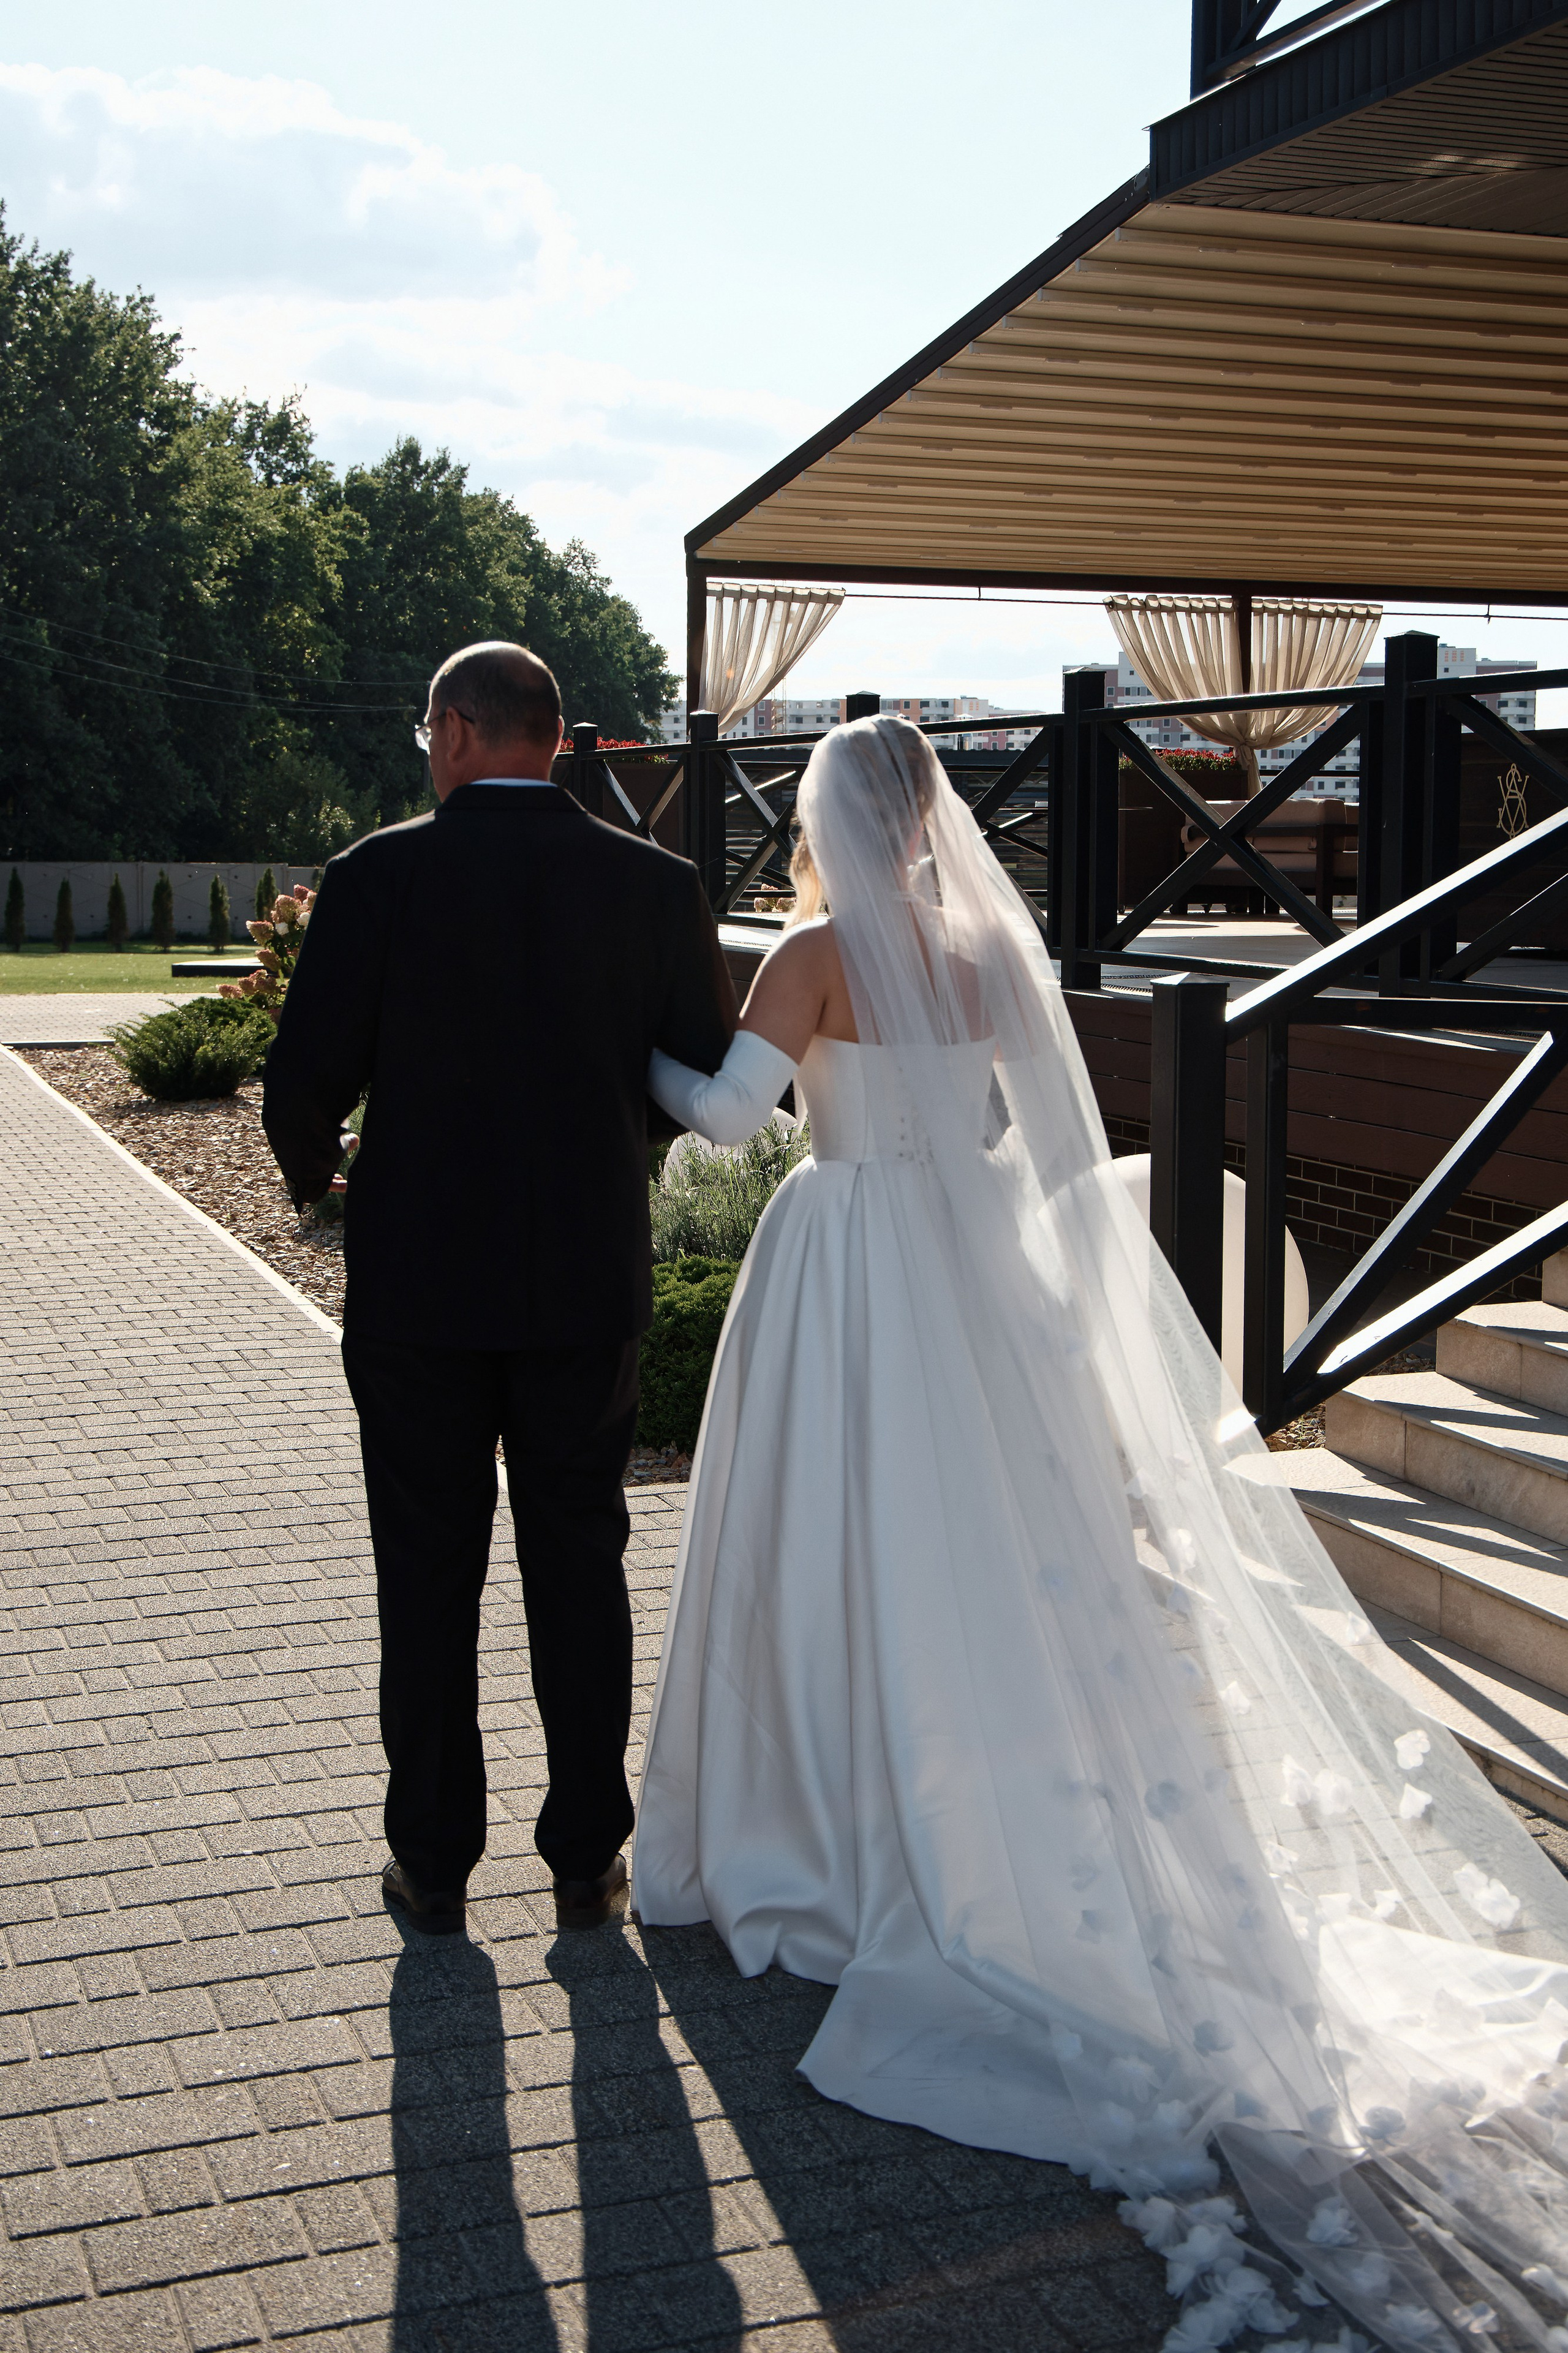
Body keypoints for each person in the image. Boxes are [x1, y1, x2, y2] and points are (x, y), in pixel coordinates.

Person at [636, 714, 1568, 2352]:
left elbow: (728, 1120)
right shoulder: (994, 947)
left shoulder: (809, 946)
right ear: (934, 817)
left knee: (837, 1545)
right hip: (976, 1268)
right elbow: (1059, 1163)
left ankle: (832, 1830)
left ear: (822, 816)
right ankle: (979, 1814)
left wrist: (628, 1058)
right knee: (986, 1560)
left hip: (847, 1266)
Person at [263, 641, 734, 1939]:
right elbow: (694, 1076)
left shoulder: (378, 875)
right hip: (583, 1274)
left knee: (425, 1574)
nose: (425, 752)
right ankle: (586, 1861)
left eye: (428, 730)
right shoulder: (656, 883)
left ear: (461, 732)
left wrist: (327, 1195)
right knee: (579, 1561)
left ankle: (433, 1865)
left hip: (417, 1280)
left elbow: (301, 1083)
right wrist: (609, 1152)